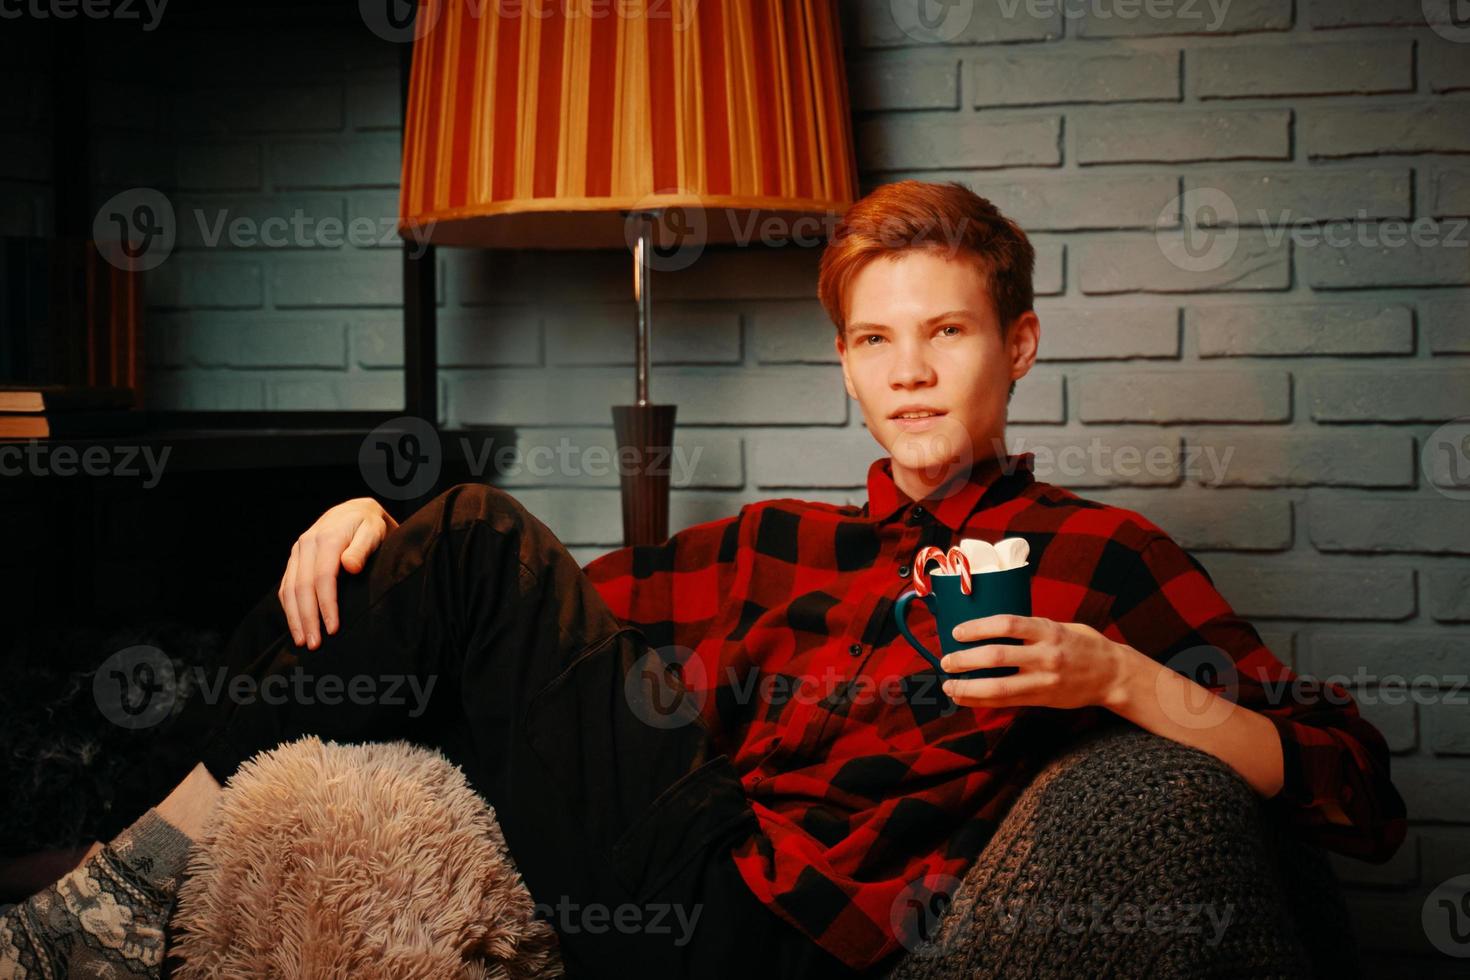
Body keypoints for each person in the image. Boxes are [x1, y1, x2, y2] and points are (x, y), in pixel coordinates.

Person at [21, 179, 1407, 978]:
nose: (909, 372)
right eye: (874, 341)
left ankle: (94, 893)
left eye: (946, 334)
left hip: (781, 941)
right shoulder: (779, 542)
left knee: (471, 527)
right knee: (461, 531)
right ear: (848, 363)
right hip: (668, 859)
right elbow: (521, 595)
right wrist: (363, 527)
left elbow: (1353, 786)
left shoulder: (1099, 555)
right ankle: (112, 880)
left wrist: (1121, 677)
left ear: (1020, 344)